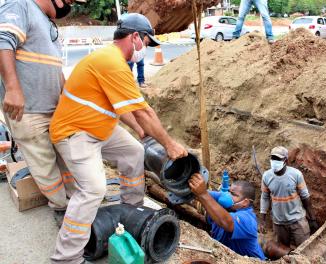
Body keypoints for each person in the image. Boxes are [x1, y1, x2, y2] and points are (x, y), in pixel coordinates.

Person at [49, 13, 188, 264]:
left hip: (97, 126)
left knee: (134, 150)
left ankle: (132, 210)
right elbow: (144, 111)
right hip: (75, 131)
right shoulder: (111, 62)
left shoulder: (113, 61)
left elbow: (125, 109)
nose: (144, 49)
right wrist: (169, 145)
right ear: (135, 37)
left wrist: (141, 131)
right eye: (146, 43)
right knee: (93, 189)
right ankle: (66, 257)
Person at [0, 0, 83, 220]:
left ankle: (75, 201)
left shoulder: (47, 23)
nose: (70, 6)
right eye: (71, 0)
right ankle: (63, 209)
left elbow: (54, 65)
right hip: (29, 110)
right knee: (46, 168)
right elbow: (3, 40)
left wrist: (67, 94)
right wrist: (13, 88)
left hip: (54, 109)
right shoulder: (20, 5)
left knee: (65, 160)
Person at [189, 173, 266, 260]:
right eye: (229, 191)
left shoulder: (249, 220)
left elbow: (225, 222)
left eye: (233, 194)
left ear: (245, 202)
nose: (227, 195)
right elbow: (198, 192)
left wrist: (203, 194)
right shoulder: (227, 203)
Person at [260, 146, 318, 248]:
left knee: (304, 249)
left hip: (298, 221)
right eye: (273, 158)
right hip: (279, 223)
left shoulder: (296, 175)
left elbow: (305, 197)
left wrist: (312, 219)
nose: (274, 161)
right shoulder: (266, 176)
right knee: (283, 251)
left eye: (278, 159)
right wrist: (263, 220)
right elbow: (264, 197)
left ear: (285, 160)